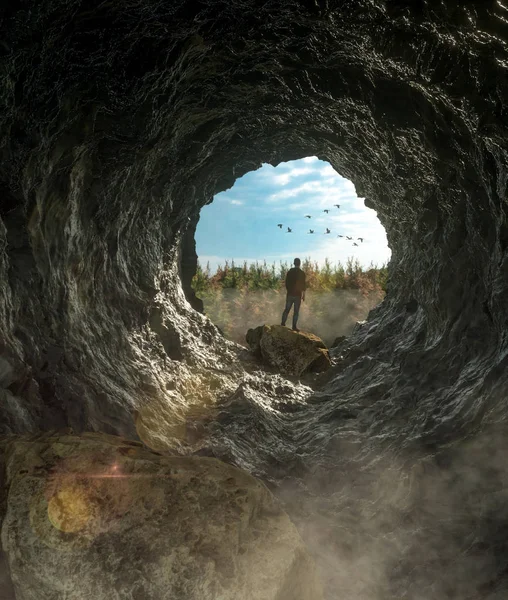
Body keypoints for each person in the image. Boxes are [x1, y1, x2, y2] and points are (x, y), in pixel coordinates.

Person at [281, 258, 306, 332]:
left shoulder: (290, 272)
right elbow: (303, 285)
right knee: (296, 312)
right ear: (300, 263)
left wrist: (289, 291)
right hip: (298, 295)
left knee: (287, 310)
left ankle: (282, 324)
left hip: (290, 294)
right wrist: (304, 295)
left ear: (294, 263)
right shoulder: (302, 273)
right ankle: (294, 327)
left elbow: (286, 283)